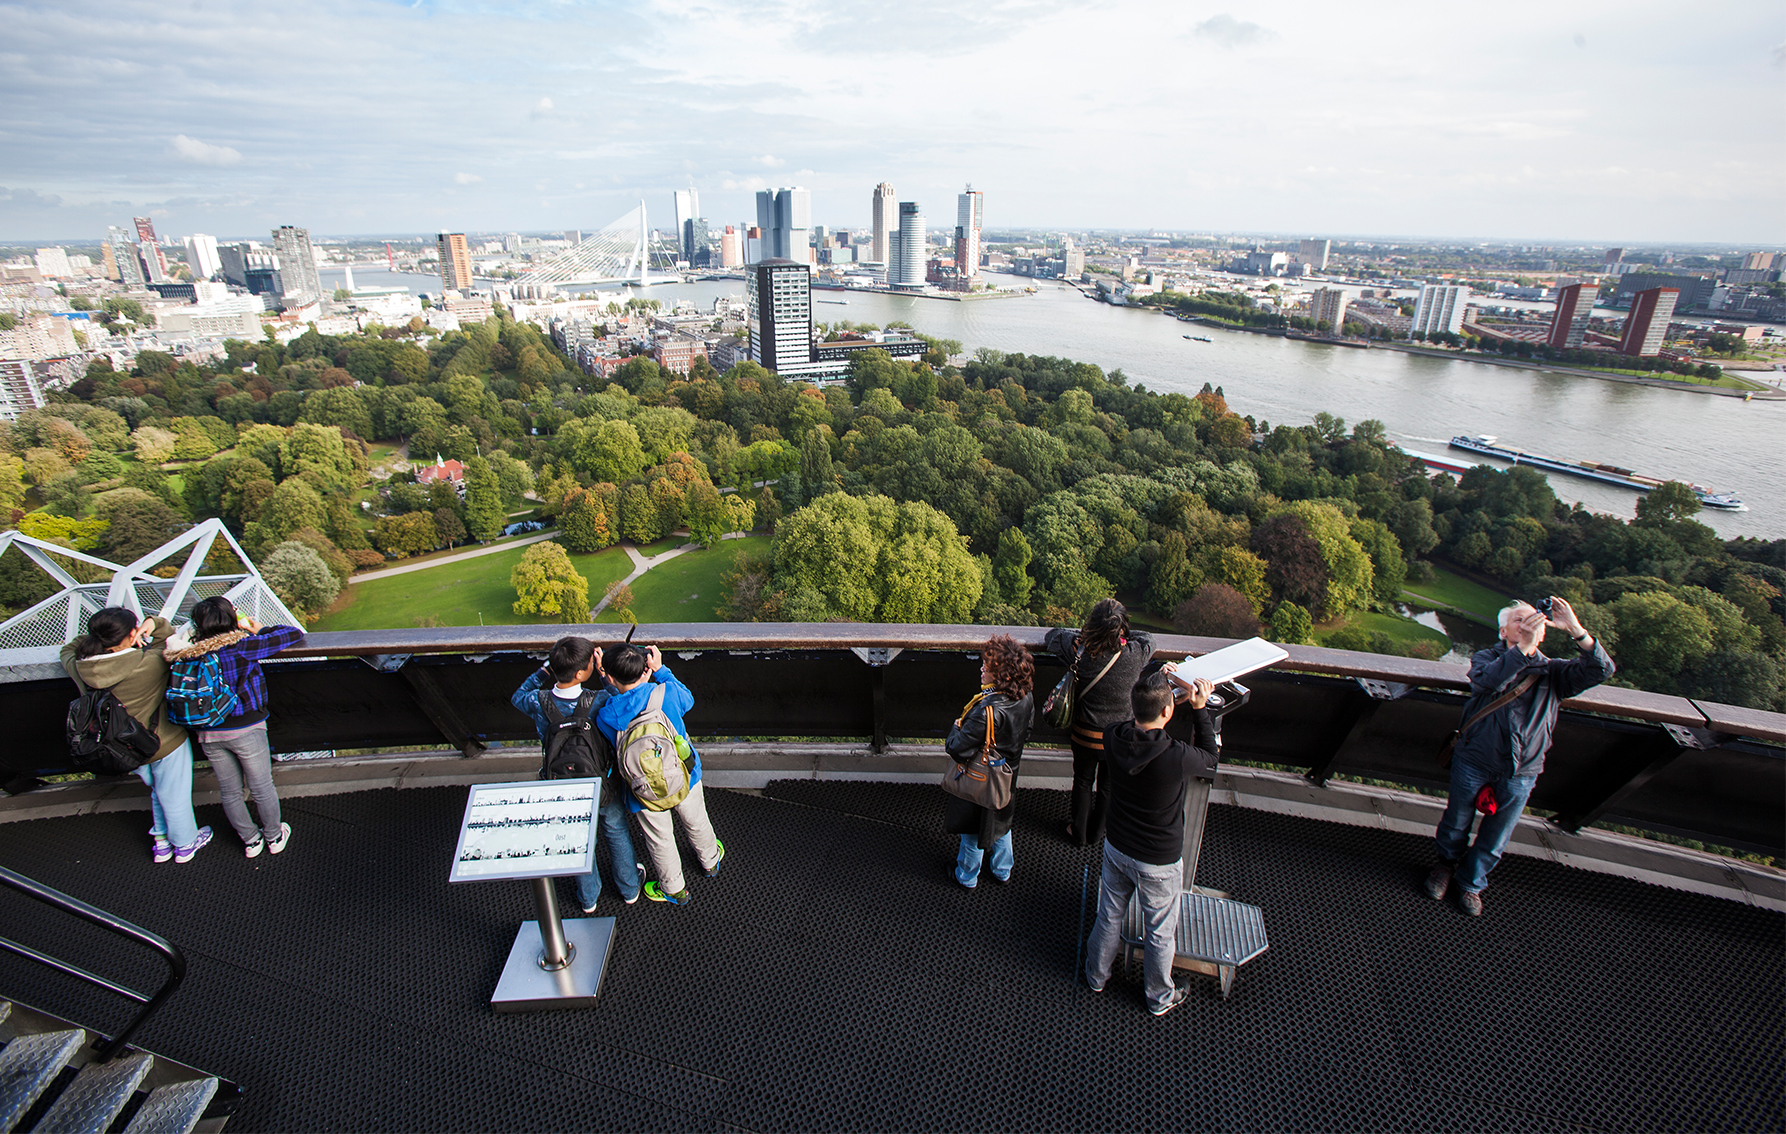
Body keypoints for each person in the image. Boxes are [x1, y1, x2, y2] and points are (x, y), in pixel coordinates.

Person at [1426, 597, 1614, 917]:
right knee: (1456, 821)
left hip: (1523, 770)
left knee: (1497, 833)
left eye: (1534, 622)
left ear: (1543, 633)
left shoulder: (1554, 673)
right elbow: (1489, 682)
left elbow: (1602, 669)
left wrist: (1575, 629)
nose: (1528, 625)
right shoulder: (1487, 658)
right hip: (1474, 759)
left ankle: (1472, 882)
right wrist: (1523, 649)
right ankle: (1445, 866)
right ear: (1503, 631)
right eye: (1519, 621)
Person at [1082, 667, 1218, 1018]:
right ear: (1169, 712)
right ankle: (1159, 996)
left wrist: (1157, 682)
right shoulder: (1176, 756)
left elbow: (1136, 718)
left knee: (1109, 914)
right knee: (1159, 931)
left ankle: (1096, 976)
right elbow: (1210, 760)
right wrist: (1200, 709)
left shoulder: (1113, 736)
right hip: (1159, 859)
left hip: (1117, 847)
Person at [62, 607, 211, 864]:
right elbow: (170, 636)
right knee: (173, 793)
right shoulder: (150, 662)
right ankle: (185, 845)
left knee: (158, 791)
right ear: (133, 633)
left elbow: (67, 649)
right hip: (162, 741)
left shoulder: (80, 668)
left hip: (120, 746)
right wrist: (152, 624)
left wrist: (94, 638)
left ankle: (162, 841)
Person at [510, 636, 643, 911]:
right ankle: (629, 887)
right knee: (616, 830)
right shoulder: (599, 700)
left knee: (578, 839)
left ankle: (589, 897)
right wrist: (605, 674)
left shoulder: (538, 701)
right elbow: (622, 698)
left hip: (561, 787)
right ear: (583, 672)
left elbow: (517, 697)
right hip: (601, 782)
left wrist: (544, 671)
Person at [166, 597, 303, 858]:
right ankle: (274, 836)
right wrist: (256, 628)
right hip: (247, 727)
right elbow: (292, 634)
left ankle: (251, 841)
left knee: (230, 791)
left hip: (208, 731)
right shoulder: (242, 646)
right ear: (231, 619)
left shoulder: (189, 652)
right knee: (261, 785)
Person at [596, 643, 722, 905]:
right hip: (685, 774)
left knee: (660, 838)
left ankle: (674, 888)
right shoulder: (667, 692)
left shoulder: (606, 715)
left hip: (641, 789)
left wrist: (606, 677)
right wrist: (661, 670)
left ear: (609, 676)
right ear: (646, 669)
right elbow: (689, 699)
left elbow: (615, 740)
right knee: (697, 820)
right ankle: (710, 861)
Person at [1044, 598, 1156, 846]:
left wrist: (1087, 635)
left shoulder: (1078, 651)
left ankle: (1079, 833)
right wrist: (1121, 632)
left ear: (1091, 625)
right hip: (1119, 737)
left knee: (1083, 781)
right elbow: (1149, 638)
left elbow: (1052, 635)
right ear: (1123, 629)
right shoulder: (1134, 654)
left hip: (1085, 733)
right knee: (1107, 786)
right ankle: (1097, 834)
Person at [944, 634, 1036, 889]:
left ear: (1002, 676)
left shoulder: (986, 711)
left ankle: (967, 877)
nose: (982, 668)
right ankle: (1002, 871)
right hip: (1008, 772)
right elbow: (1026, 731)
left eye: (988, 666)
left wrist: (956, 726)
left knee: (973, 832)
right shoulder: (1026, 696)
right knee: (1001, 823)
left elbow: (956, 748)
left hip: (981, 777)